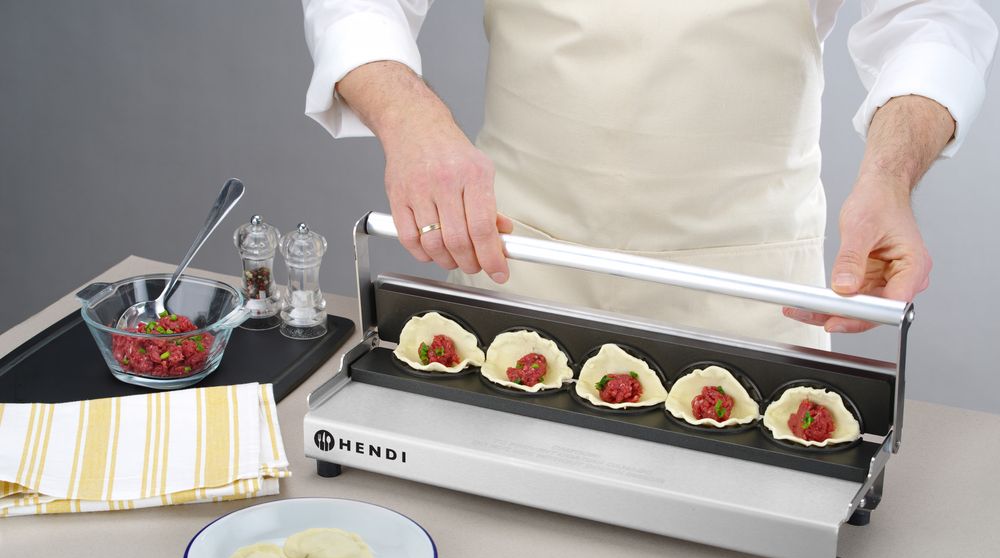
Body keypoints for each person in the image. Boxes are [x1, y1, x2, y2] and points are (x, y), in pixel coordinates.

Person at [300, 0, 997, 347]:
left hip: (749, 294)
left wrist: (889, 176)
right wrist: (411, 117)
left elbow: (933, 16)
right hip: (515, 262)